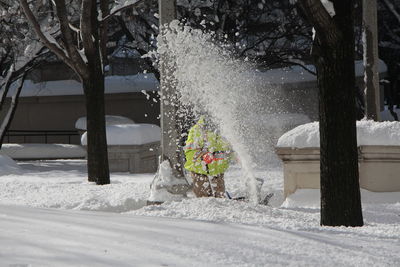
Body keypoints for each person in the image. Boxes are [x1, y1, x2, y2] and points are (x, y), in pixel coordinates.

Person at [183, 116, 231, 198]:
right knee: (203, 199)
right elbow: (189, 151)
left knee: (220, 198)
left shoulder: (223, 130)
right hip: (199, 170)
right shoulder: (196, 130)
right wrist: (201, 156)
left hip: (217, 170)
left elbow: (227, 150)